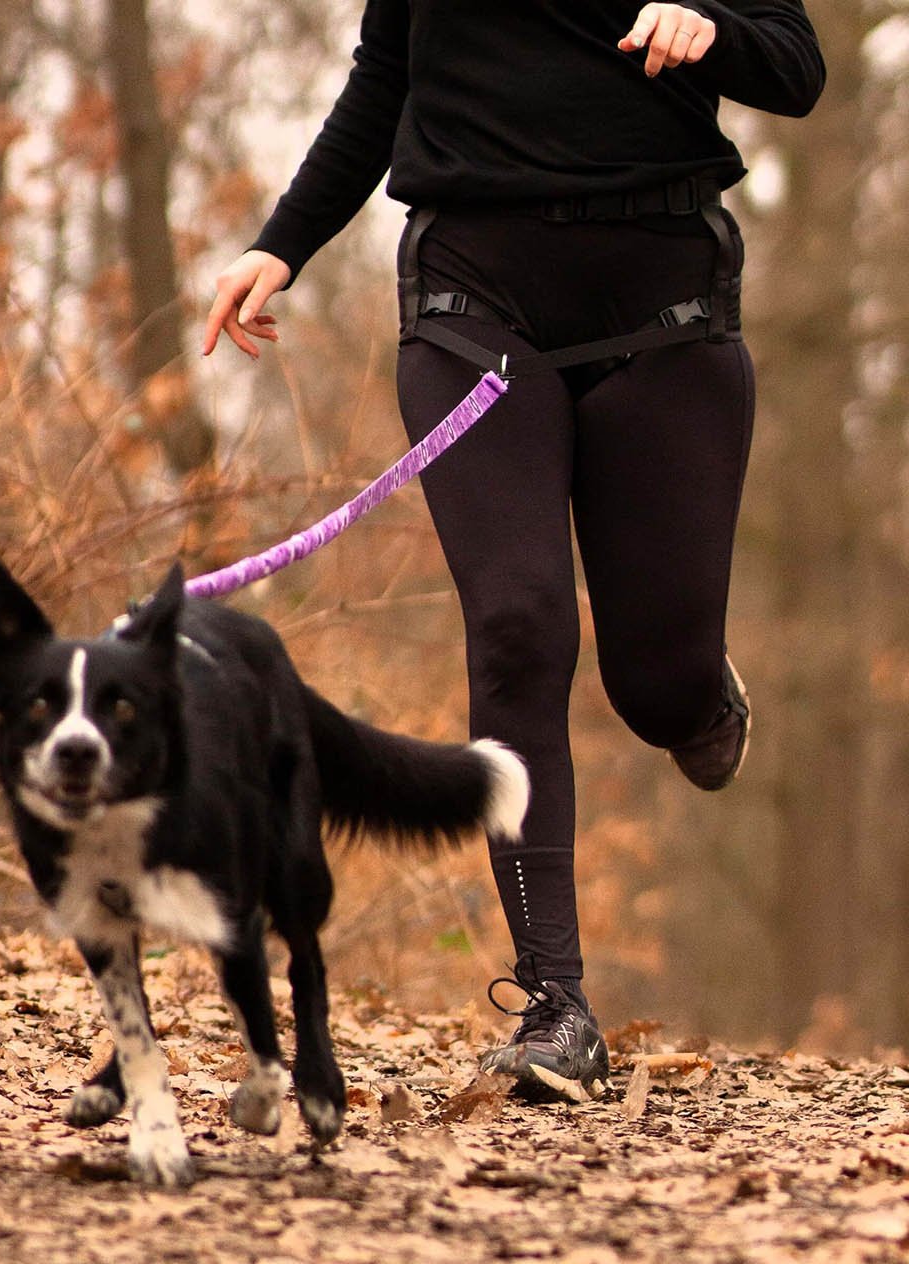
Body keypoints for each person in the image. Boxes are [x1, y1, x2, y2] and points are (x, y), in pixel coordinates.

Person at [203, 1, 826, 1100]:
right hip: (471, 300)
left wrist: (710, 28)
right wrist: (279, 245)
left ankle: (692, 698)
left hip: (665, 311)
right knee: (516, 624)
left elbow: (794, 68)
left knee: (654, 681)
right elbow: (380, 83)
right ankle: (556, 1003)